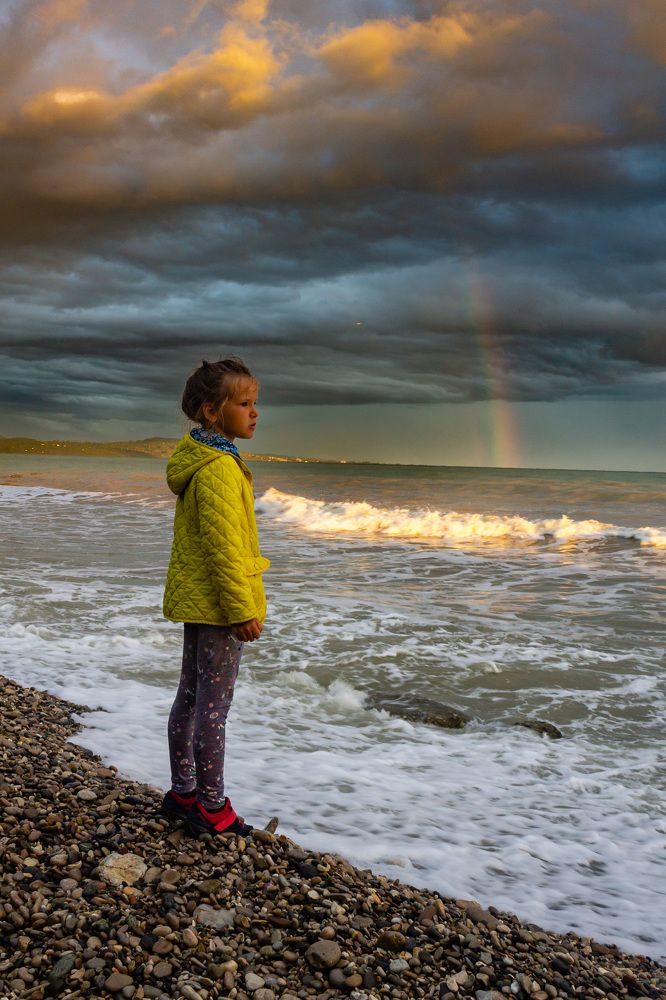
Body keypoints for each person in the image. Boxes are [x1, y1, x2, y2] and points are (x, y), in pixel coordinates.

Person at [160, 356, 269, 838]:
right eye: (244, 403)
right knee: (212, 707)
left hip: (198, 598)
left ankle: (183, 792)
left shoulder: (198, 459)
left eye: (255, 403)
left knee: (189, 695)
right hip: (222, 604)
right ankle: (210, 806)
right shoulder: (220, 469)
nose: (254, 412)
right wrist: (243, 609)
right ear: (210, 410)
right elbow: (225, 550)